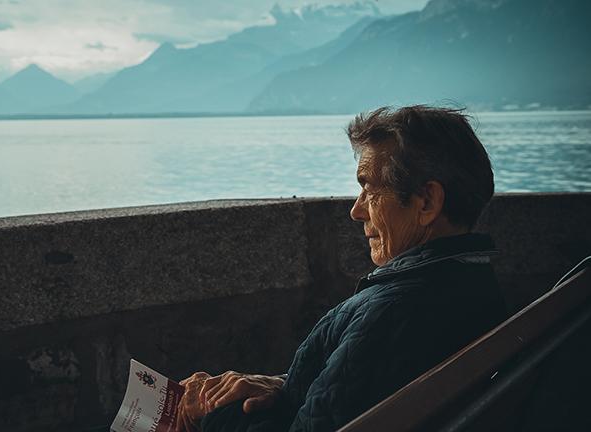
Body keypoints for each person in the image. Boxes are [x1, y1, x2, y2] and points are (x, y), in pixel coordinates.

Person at [174, 105, 507, 432]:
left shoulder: (393, 315)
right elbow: (351, 396)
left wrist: (209, 411)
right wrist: (282, 388)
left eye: (370, 189)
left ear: (427, 202)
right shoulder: (471, 282)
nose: (356, 211)